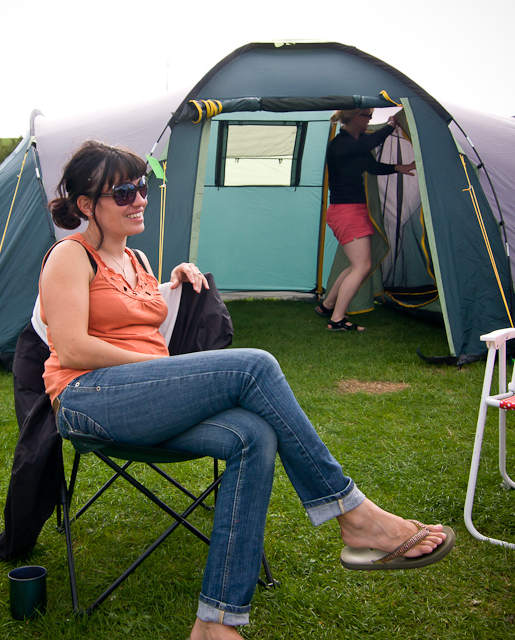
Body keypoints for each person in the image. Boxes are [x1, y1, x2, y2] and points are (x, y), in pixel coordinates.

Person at [40, 140, 453, 640]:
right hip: (88, 401)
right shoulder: (68, 255)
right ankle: (353, 512)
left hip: (143, 400)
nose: (139, 199)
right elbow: (73, 347)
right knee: (254, 366)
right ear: (87, 205)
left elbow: (138, 319)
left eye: (142, 187)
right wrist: (172, 372)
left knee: (254, 434)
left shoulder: (138, 259)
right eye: (123, 192)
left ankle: (216, 622)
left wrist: (173, 284)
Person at [316, 109, 416, 331]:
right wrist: (391, 125)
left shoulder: (356, 141)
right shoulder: (341, 143)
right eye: (368, 116)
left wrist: (399, 168)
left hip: (352, 210)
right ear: (356, 117)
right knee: (363, 266)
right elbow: (368, 144)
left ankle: (327, 306)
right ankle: (337, 320)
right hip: (346, 212)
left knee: (356, 265)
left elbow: (371, 166)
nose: (370, 120)